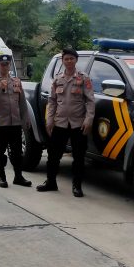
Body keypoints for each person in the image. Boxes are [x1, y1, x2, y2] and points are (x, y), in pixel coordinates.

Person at [36, 48, 95, 197]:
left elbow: (90, 101)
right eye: (66, 59)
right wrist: (49, 120)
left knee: (79, 156)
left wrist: (89, 119)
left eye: (71, 58)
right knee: (53, 155)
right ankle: (51, 182)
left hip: (78, 123)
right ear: (62, 61)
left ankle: (77, 186)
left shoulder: (84, 78)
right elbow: (52, 101)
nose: (68, 61)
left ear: (76, 60)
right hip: (60, 123)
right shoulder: (57, 79)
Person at [0, 54, 32, 188]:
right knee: (0, 152)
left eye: (7, 64)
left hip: (16, 124)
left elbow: (22, 102)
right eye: (2, 64)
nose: (5, 67)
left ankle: (18, 177)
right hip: (1, 124)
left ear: (10, 66)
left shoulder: (16, 81)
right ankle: (2, 177)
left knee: (17, 152)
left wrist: (26, 118)